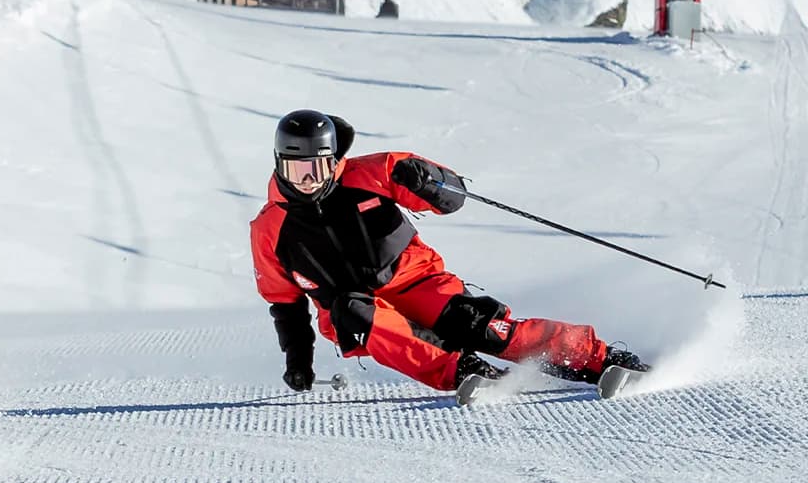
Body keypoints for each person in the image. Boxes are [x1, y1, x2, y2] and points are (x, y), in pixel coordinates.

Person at [250, 109, 650, 395]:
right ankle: (461, 370)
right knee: (351, 310)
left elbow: (451, 197)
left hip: (418, 282)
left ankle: (597, 358)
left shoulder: (372, 173)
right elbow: (284, 304)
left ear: (333, 161)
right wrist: (298, 361)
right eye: (294, 171)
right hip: (358, 312)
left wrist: (428, 181)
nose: (305, 182)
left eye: (315, 170)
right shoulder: (270, 228)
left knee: (482, 328)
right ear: (278, 164)